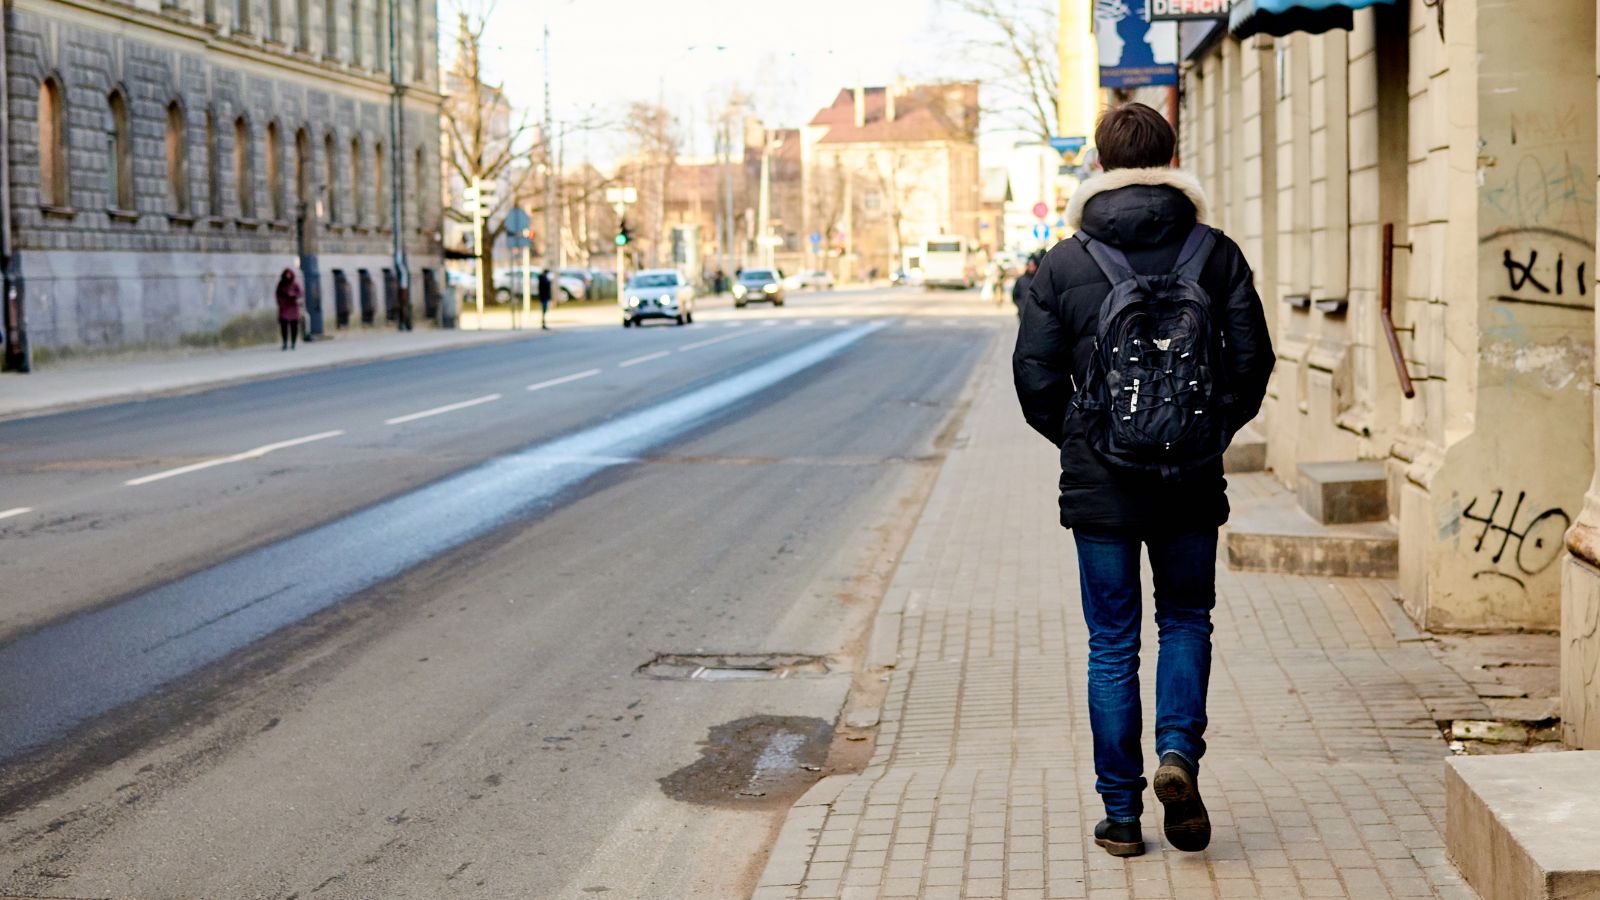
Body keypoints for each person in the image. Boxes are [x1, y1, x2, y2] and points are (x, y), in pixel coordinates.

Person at [1012, 103, 1274, 858]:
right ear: (1171, 157)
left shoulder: (1063, 262)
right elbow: (1253, 363)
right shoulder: (1215, 253)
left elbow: (1035, 377)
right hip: (1189, 481)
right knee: (1186, 619)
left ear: (1099, 164)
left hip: (1102, 487)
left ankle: (1121, 814)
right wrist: (1209, 432)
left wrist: (1085, 437)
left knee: (1111, 644)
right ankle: (1177, 754)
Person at [275, 268, 303, 351]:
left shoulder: (295, 284)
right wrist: (281, 303)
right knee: (284, 326)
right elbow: (278, 295)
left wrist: (293, 295)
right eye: (287, 274)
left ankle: (293, 343)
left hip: (293, 306)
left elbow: (300, 293)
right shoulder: (281, 284)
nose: (288, 276)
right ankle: (285, 343)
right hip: (284, 307)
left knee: (294, 326)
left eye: (289, 274)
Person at [1012, 253, 1040, 318]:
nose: (1031, 268)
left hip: (1037, 313)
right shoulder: (1021, 279)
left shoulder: (1039, 279)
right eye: (1029, 266)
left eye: (1033, 266)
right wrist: (1020, 306)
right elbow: (1015, 296)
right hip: (1023, 312)